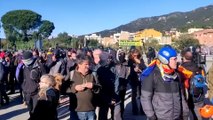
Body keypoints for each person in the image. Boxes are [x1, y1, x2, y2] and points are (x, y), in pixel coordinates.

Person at [140, 46, 189, 120]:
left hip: (177, 116)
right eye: (174, 59)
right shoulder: (152, 75)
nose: (177, 61)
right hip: (160, 117)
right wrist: (151, 116)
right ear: (165, 60)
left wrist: (185, 112)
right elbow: (145, 98)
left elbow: (181, 96)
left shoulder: (176, 75)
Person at [69, 54, 101, 120]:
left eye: (89, 64)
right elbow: (63, 90)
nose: (88, 66)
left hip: (91, 111)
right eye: (86, 64)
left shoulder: (93, 74)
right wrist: (74, 88)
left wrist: (93, 86)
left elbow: (100, 89)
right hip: (76, 111)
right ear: (79, 64)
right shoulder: (71, 74)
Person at [179, 48, 206, 120]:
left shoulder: (181, 69)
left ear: (183, 58)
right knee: (198, 114)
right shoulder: (199, 67)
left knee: (186, 114)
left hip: (187, 95)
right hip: (198, 95)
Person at [21, 51, 46, 118]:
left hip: (37, 93)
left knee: (37, 113)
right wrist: (24, 89)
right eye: (23, 60)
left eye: (26, 60)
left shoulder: (39, 66)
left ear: (31, 58)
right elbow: (24, 79)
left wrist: (41, 91)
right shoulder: (24, 66)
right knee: (31, 112)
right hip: (27, 94)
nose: (25, 62)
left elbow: (45, 79)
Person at [128, 48, 146, 115]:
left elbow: (145, 68)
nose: (135, 57)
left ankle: (142, 110)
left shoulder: (141, 60)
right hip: (133, 79)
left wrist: (140, 63)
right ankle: (135, 110)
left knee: (142, 95)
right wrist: (134, 70)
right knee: (134, 95)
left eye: (137, 55)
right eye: (134, 55)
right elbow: (129, 70)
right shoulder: (130, 61)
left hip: (141, 79)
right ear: (132, 54)